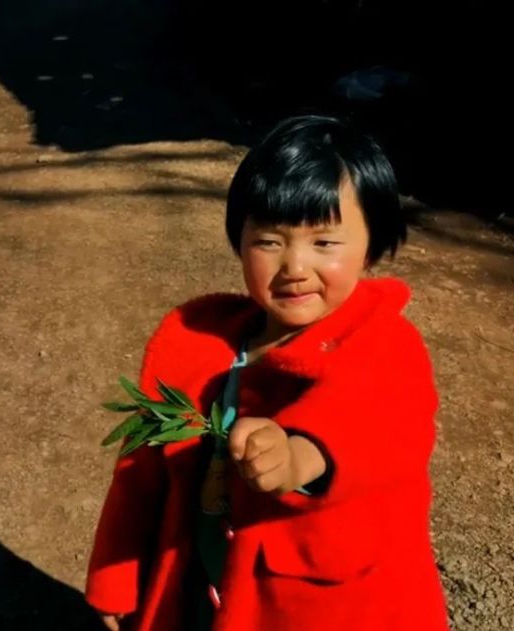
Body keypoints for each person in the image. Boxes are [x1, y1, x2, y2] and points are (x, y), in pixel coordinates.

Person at [86, 115, 448, 631]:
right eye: (270, 241)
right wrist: (115, 576)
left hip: (325, 610)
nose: (294, 266)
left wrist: (300, 455)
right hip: (204, 586)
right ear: (240, 239)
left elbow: (382, 429)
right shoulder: (194, 342)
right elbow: (139, 475)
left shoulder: (384, 343)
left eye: (325, 243)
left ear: (373, 244)